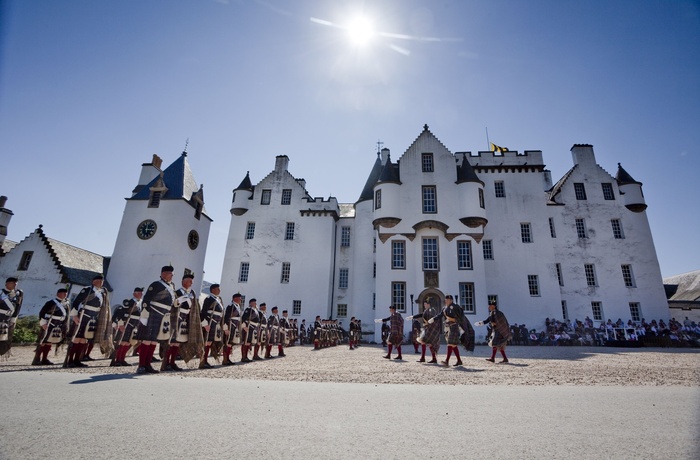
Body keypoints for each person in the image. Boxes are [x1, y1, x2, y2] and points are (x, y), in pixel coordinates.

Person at [135, 266, 176, 374]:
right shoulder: (156, 284)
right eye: (170, 273)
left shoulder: (171, 287)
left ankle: (148, 365)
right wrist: (144, 315)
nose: (172, 275)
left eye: (172, 274)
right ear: (163, 274)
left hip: (163, 315)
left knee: (154, 340)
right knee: (147, 339)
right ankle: (141, 366)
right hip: (153, 313)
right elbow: (146, 299)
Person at [66, 274, 112, 368]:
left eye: (102, 281)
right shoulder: (87, 290)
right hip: (84, 315)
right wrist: (74, 315)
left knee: (84, 339)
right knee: (77, 338)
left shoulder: (102, 293)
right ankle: (70, 360)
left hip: (93, 317)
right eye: (98, 281)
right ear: (93, 282)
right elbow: (76, 301)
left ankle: (77, 360)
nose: (100, 282)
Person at [166, 272, 203, 370]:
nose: (191, 283)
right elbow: (173, 304)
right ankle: (166, 363)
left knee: (178, 342)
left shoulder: (192, 293)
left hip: (187, 318)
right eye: (189, 281)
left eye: (191, 281)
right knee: (172, 342)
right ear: (183, 281)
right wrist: (182, 299)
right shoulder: (177, 292)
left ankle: (172, 362)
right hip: (177, 317)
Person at [32, 288, 69, 365]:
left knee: (49, 341)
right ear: (58, 294)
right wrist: (43, 323)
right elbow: (42, 313)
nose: (65, 295)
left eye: (66, 294)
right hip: (50, 323)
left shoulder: (65, 304)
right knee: (43, 341)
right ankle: (37, 359)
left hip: (59, 324)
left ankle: (45, 359)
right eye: (63, 293)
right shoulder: (51, 302)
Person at [110, 287, 143, 367]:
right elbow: (121, 312)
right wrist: (121, 324)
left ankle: (122, 359)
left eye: (141, 293)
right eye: (139, 293)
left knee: (128, 342)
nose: (141, 294)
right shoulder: (130, 302)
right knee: (122, 342)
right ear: (134, 294)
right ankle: (117, 360)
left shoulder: (141, 303)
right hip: (127, 323)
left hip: (135, 324)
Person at [199, 283, 225, 369]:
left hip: (216, 323)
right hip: (210, 322)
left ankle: (205, 360)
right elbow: (204, 312)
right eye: (218, 289)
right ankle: (203, 361)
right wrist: (205, 324)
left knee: (210, 342)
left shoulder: (218, 299)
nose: (220, 290)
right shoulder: (209, 298)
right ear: (213, 290)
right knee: (207, 342)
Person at [439, 295, 466, 367]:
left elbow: (460, 316)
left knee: (450, 344)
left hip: (454, 327)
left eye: (447, 300)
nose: (446, 301)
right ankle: (459, 361)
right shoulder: (444, 308)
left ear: (451, 300)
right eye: (445, 300)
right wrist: (433, 319)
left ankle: (446, 361)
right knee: (453, 345)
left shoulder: (455, 306)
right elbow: (440, 315)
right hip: (448, 327)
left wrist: (454, 320)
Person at [411, 298, 441, 363]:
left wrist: (429, 325)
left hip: (431, 329)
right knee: (423, 342)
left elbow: (434, 320)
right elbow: (421, 314)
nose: (424, 305)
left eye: (425, 304)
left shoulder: (432, 310)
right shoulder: (426, 310)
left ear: (428, 304)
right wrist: (413, 317)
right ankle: (424, 358)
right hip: (427, 328)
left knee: (430, 344)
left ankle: (431, 358)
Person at [0, 277, 24, 359]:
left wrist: (14, 318)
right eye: (12, 283)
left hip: (7, 319)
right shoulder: (1, 293)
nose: (14, 285)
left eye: (15, 283)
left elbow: (18, 306)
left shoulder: (18, 293)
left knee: (3, 339)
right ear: (7, 283)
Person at [222, 292, 242, 366]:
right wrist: (226, 328)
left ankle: (228, 358)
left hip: (235, 325)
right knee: (227, 343)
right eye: (239, 298)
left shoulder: (237, 306)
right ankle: (225, 360)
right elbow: (226, 317)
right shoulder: (230, 306)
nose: (240, 300)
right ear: (235, 298)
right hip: (230, 325)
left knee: (230, 343)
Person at [240, 298, 260, 362]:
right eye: (254, 302)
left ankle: (246, 356)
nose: (255, 304)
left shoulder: (255, 310)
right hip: (248, 326)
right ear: (251, 303)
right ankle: (243, 357)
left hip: (253, 327)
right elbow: (243, 318)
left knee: (248, 342)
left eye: (255, 302)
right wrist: (244, 326)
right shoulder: (248, 309)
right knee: (245, 342)